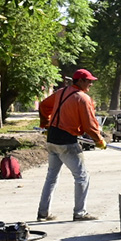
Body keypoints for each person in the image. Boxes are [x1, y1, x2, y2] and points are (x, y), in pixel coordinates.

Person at [37, 68, 107, 221]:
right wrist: (99, 140)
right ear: (80, 81)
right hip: (67, 142)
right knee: (82, 177)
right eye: (88, 81)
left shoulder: (61, 92)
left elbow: (43, 106)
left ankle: (43, 213)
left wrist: (46, 124)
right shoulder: (82, 98)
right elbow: (89, 125)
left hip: (52, 139)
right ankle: (80, 213)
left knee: (51, 177)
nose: (90, 84)